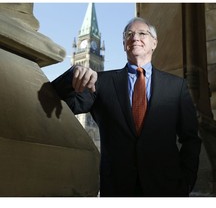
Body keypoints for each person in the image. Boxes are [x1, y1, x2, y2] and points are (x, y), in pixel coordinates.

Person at [52, 17, 201, 197]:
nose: (135, 37)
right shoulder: (100, 82)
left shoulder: (176, 87)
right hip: (118, 190)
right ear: (124, 44)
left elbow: (191, 138)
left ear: (154, 43)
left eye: (142, 33)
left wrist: (186, 182)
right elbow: (65, 105)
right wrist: (73, 74)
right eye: (129, 34)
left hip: (167, 189)